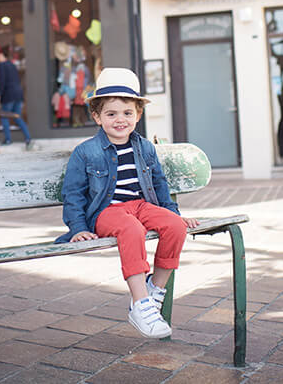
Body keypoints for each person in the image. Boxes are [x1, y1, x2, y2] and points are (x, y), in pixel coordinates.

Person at [56, 68, 200, 339]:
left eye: (127, 113)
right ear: (97, 117)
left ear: (138, 115)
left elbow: (159, 185)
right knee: (132, 230)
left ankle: (154, 291)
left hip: (140, 206)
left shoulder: (145, 148)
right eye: (111, 114)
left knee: (175, 227)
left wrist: (174, 214)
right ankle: (141, 302)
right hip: (107, 212)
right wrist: (77, 228)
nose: (120, 120)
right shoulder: (85, 152)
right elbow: (73, 194)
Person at [0, 46, 32, 149]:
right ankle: (28, 138)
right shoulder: (12, 64)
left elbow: (2, 82)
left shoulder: (1, 65)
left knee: (5, 116)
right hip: (18, 93)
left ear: (1, 54)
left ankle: (8, 139)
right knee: (17, 116)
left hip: (9, 94)